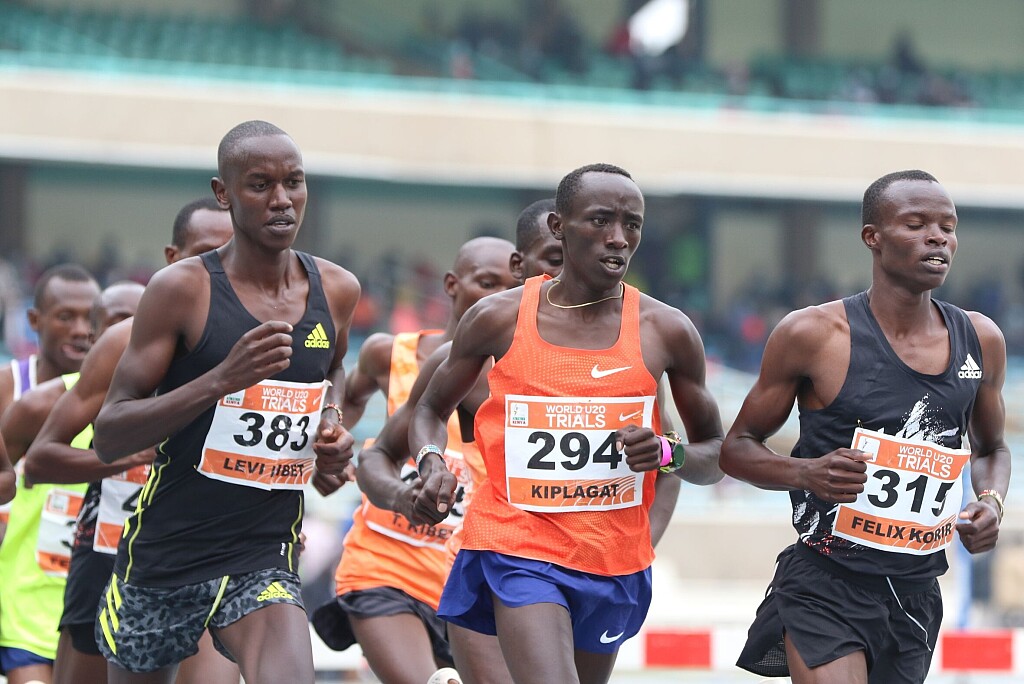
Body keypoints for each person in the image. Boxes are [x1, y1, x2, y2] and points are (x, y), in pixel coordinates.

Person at [407, 164, 724, 684]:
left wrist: (669, 454)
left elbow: (716, 455)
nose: (618, 238)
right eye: (600, 220)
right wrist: (431, 462)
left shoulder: (666, 330)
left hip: (612, 560)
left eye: (631, 224)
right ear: (559, 226)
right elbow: (428, 410)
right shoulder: (498, 317)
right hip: (517, 546)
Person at [92, 120, 360, 684]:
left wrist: (331, 424)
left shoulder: (337, 288)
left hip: (264, 552)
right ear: (224, 193)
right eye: (260, 184)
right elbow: (110, 433)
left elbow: (331, 368)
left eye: (294, 182)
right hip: (167, 554)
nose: (282, 199)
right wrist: (221, 380)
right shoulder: (181, 290)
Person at [720, 170, 1011, 684]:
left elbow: (991, 449)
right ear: (872, 237)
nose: (937, 238)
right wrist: (806, 473)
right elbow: (736, 449)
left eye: (948, 227)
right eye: (916, 225)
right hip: (826, 582)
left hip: (916, 592)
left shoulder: (980, 339)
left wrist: (990, 502)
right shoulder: (814, 334)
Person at [25, 198, 239, 684]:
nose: (222, 268)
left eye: (233, 252)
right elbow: (38, 461)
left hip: (215, 554)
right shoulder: (125, 343)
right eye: (206, 254)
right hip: (111, 553)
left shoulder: (263, 338)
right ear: (172, 258)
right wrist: (128, 456)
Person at [314, 236, 518, 684]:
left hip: (464, 579)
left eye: (512, 287)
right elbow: (349, 399)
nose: (499, 298)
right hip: (384, 565)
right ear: (451, 284)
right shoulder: (392, 353)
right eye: (487, 283)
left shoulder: (520, 382)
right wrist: (331, 448)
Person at [0, 281, 139, 684]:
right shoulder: (34, 402)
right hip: (28, 603)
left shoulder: (172, 407)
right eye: (117, 325)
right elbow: (8, 479)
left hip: (111, 595)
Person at [0, 264, 99, 541]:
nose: (81, 330)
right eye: (65, 317)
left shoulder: (116, 394)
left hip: (87, 559)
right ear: (35, 320)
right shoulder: (7, 388)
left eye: (91, 318)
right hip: (13, 564)